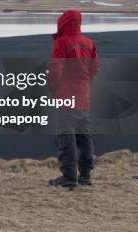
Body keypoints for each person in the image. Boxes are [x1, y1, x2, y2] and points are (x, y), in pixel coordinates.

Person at [47, 10, 99, 189]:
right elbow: (94, 69)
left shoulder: (62, 42)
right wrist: (84, 83)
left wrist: (54, 88)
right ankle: (85, 176)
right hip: (83, 97)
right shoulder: (88, 43)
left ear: (63, 23)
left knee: (66, 136)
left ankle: (69, 177)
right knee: (84, 136)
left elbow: (55, 70)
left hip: (66, 96)